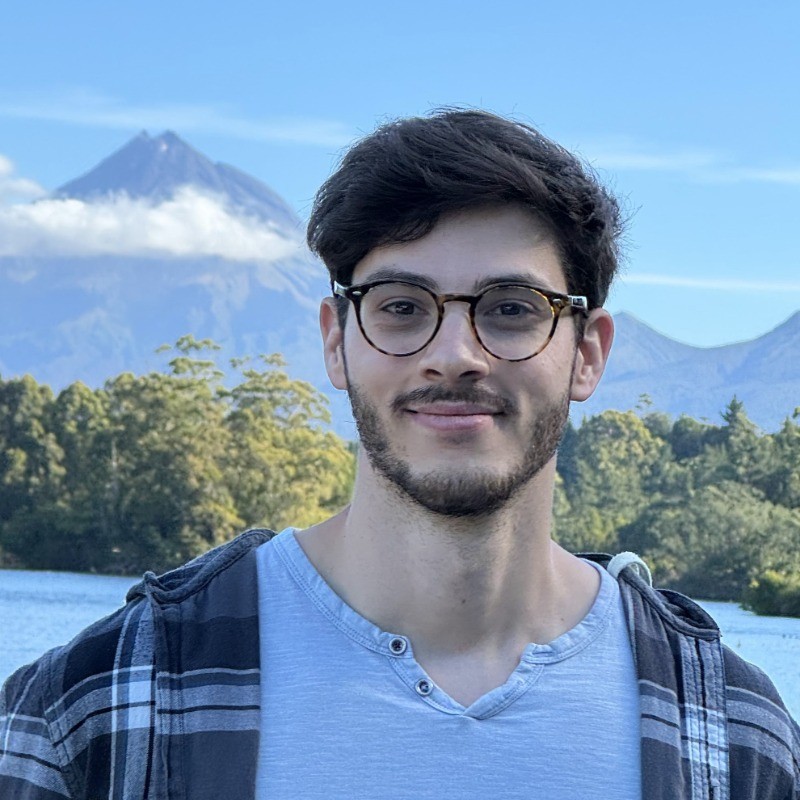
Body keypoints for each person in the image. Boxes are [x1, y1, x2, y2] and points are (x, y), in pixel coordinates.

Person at [1, 109, 798, 800]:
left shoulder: (734, 734)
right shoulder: (103, 699)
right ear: (337, 343)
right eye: (402, 307)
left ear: (588, 352)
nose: (453, 353)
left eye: (513, 309)